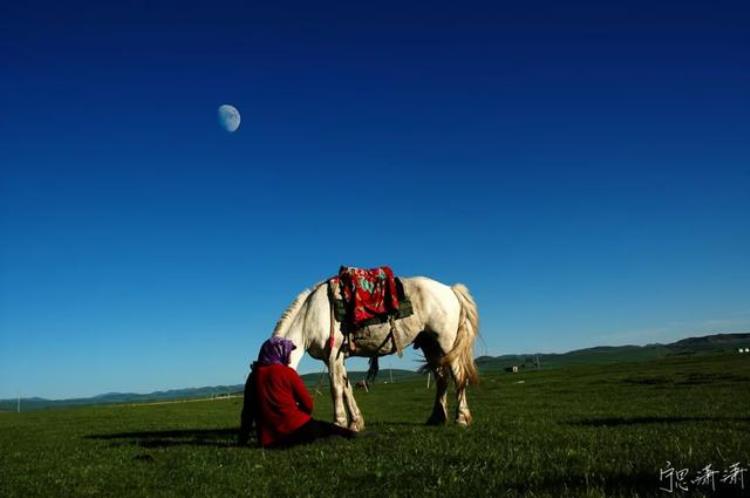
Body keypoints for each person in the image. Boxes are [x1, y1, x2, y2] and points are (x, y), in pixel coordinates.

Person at [238, 336, 357, 448]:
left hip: (268, 441)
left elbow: (247, 413)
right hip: (296, 429)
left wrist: (242, 440)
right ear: (279, 353)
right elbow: (308, 405)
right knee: (330, 429)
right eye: (287, 352)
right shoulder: (287, 373)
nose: (289, 358)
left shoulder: (253, 376)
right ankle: (351, 435)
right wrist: (301, 412)